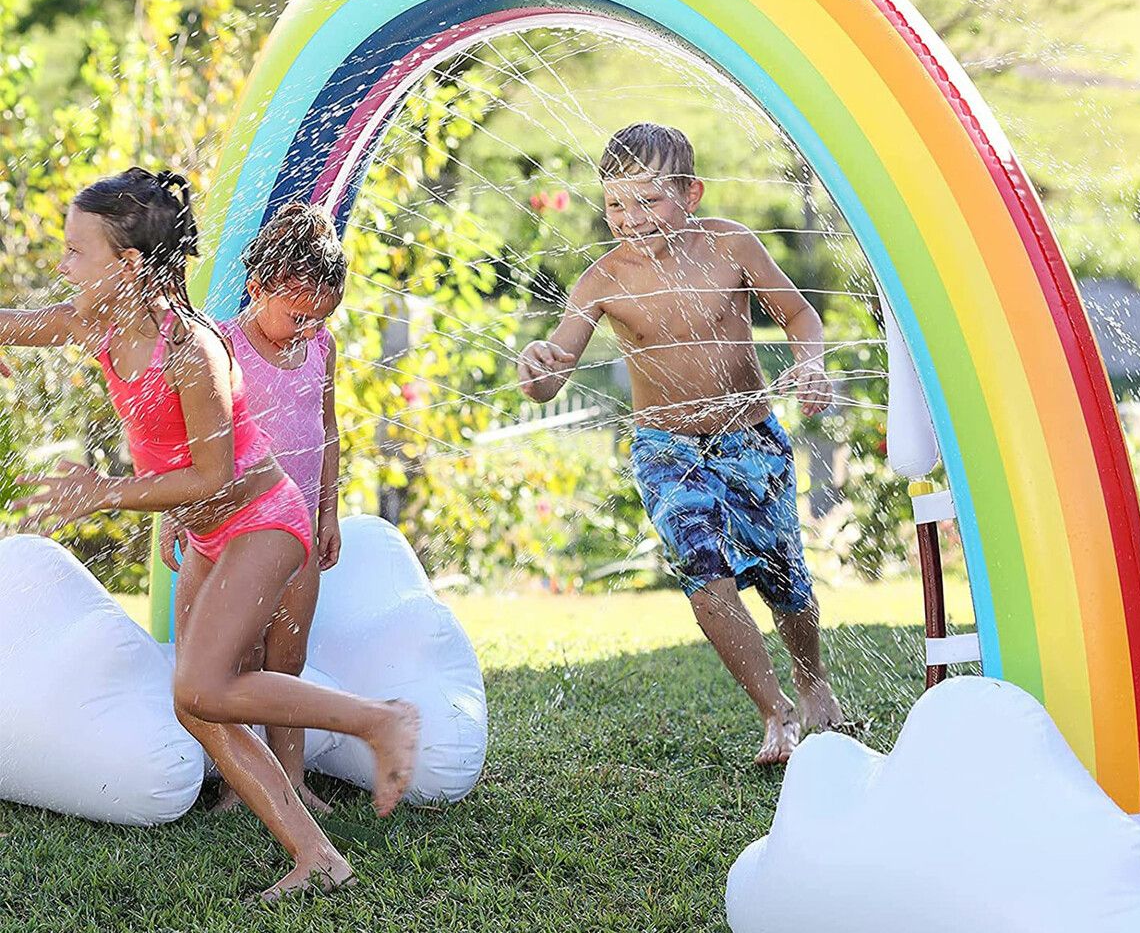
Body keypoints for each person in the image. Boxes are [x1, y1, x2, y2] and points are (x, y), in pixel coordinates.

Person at [1, 168, 418, 899]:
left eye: (74, 252)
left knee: (201, 684)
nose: (63, 267)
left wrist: (105, 492)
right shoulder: (97, 322)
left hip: (261, 520)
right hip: (209, 536)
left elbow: (212, 479)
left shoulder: (191, 350)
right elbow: (20, 322)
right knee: (197, 702)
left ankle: (377, 720)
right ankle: (316, 857)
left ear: (129, 264)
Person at [517, 123, 843, 765]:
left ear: (690, 193)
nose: (630, 218)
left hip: (750, 439)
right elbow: (554, 376)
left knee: (787, 585)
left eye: (649, 200)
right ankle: (774, 710)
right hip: (666, 450)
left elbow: (801, 316)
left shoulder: (732, 247)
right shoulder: (603, 281)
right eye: (615, 203)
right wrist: (540, 364)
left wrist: (811, 363)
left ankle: (814, 685)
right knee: (705, 576)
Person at [163, 202, 347, 816]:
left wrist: (328, 513)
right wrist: (173, 515)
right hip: (237, 532)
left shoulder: (321, 344)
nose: (306, 330)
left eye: (318, 319)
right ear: (259, 284)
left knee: (287, 657)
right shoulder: (224, 348)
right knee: (239, 658)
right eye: (297, 315)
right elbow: (187, 442)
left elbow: (327, 429)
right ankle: (242, 785)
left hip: (296, 533)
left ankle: (292, 780)